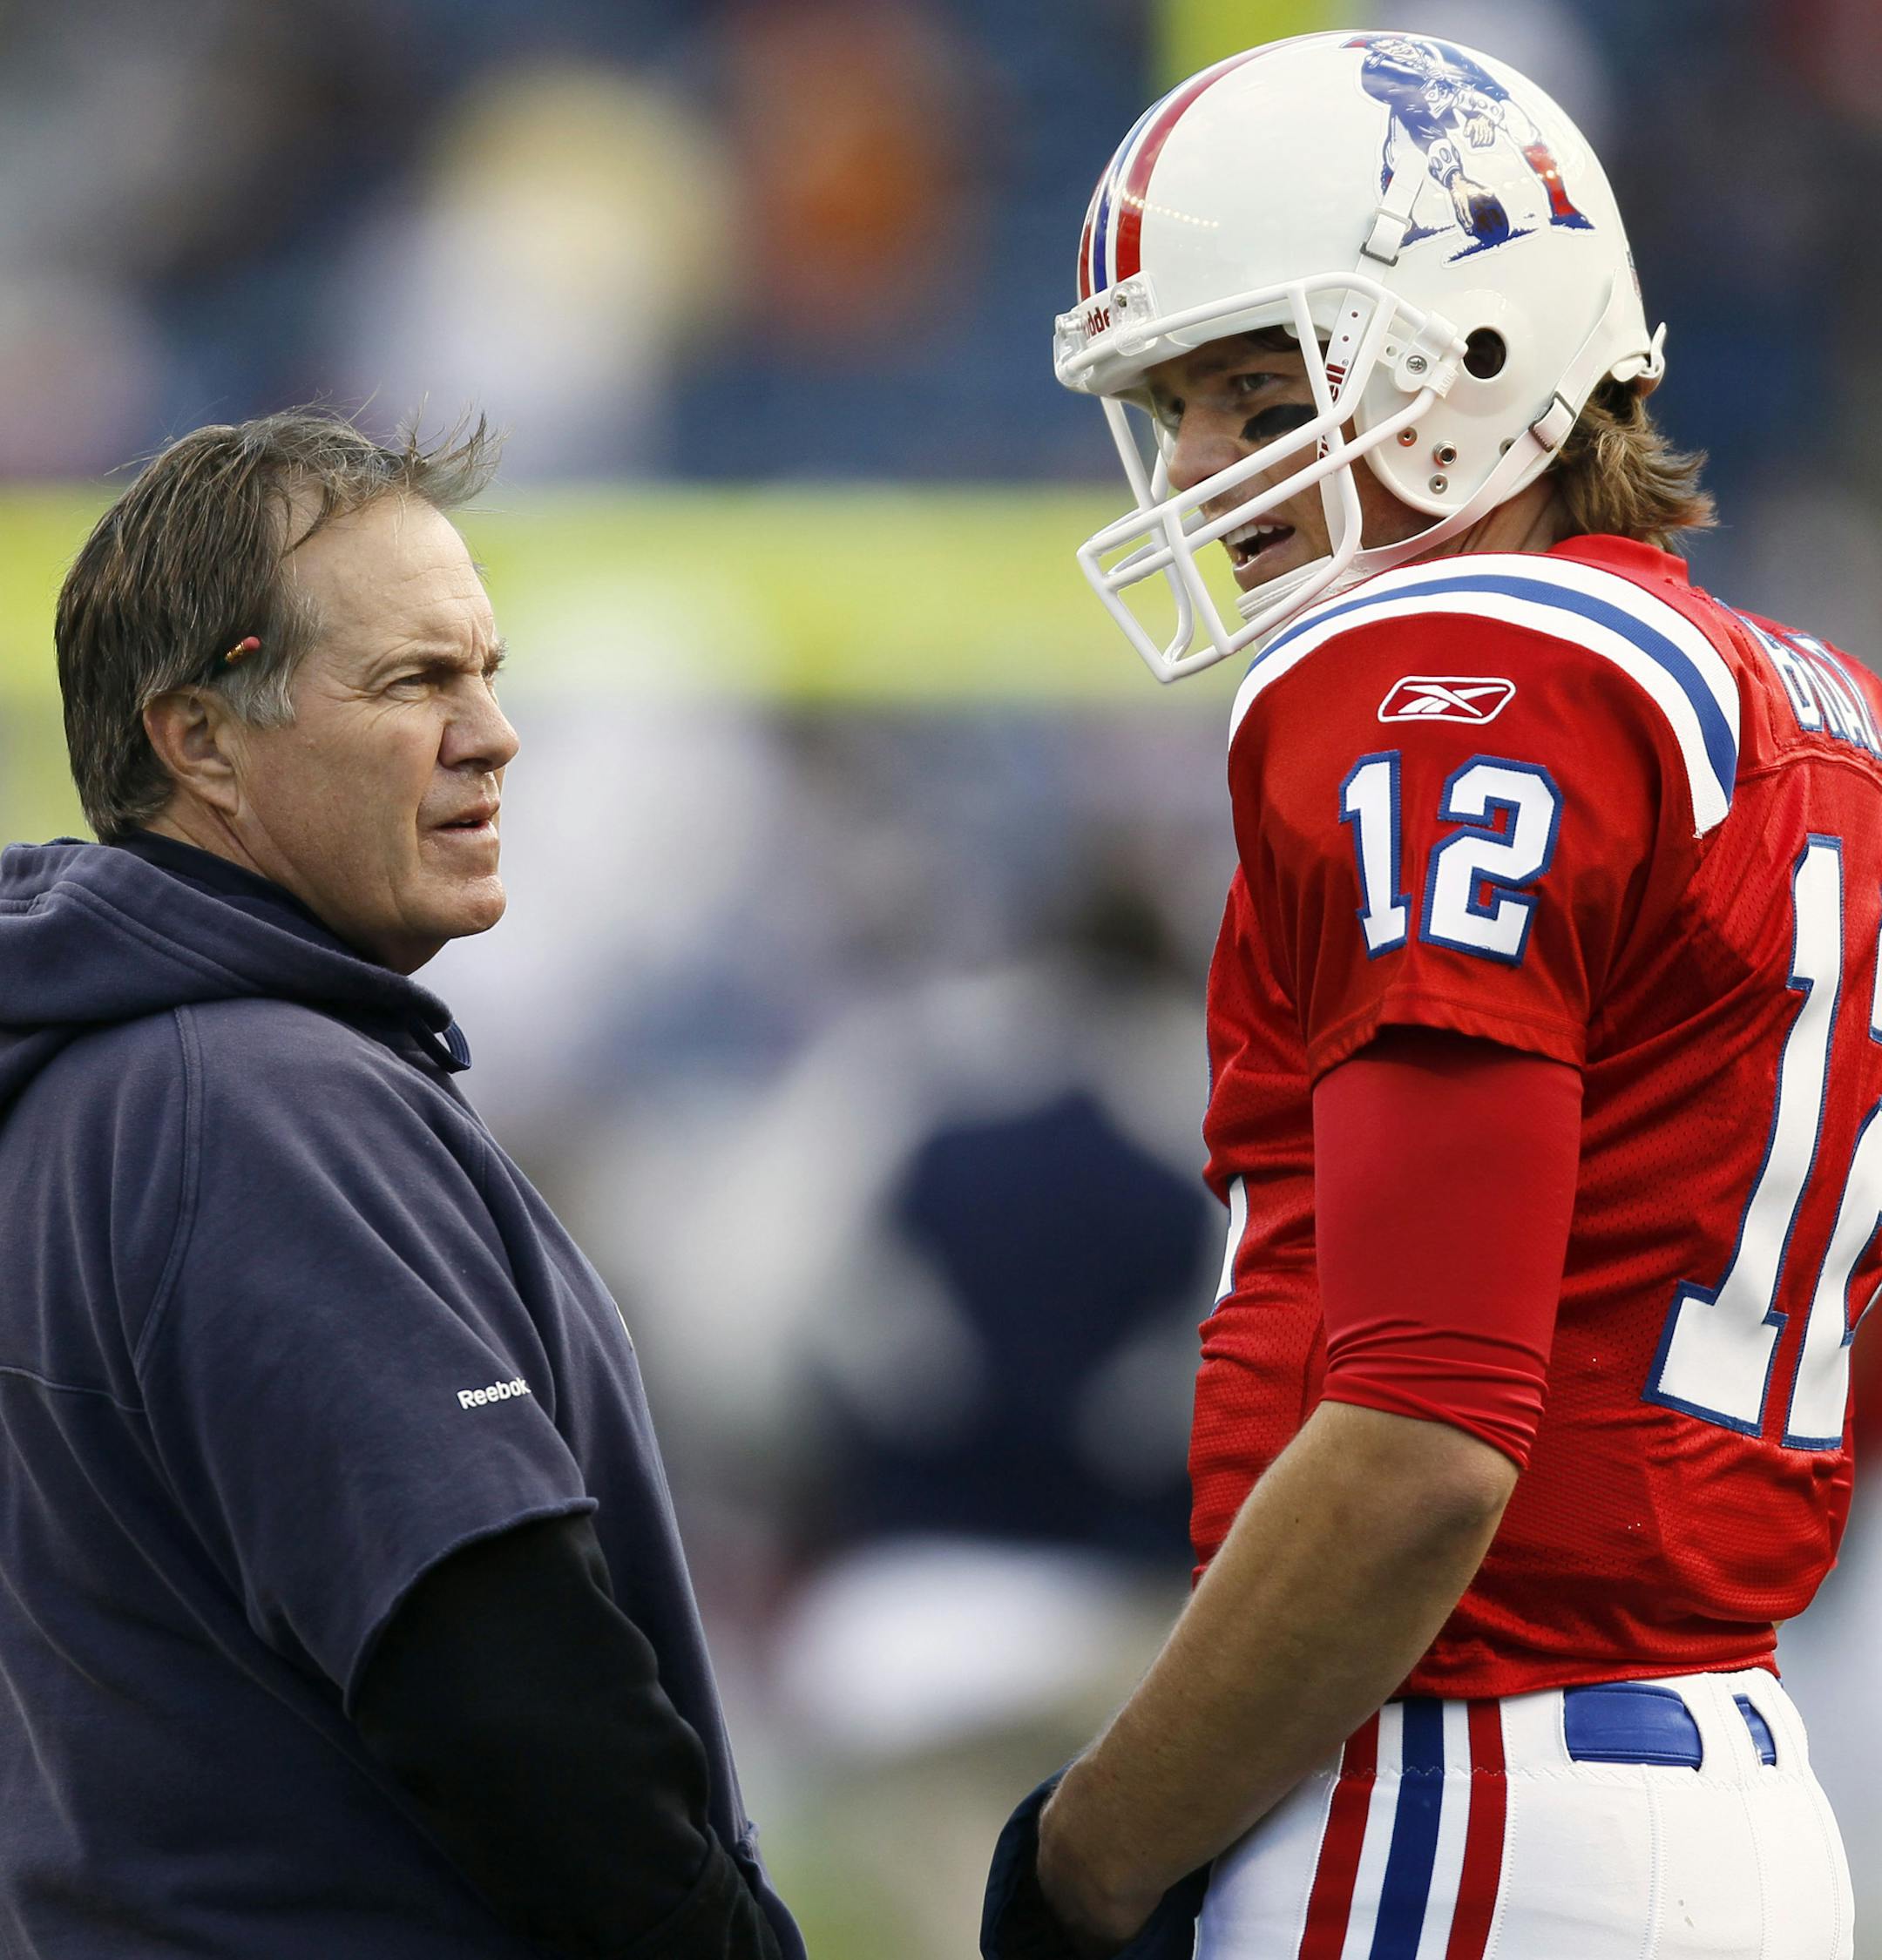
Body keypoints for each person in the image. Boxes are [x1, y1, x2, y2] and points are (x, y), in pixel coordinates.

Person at [985, 30, 1862, 1960]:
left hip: (1464, 1788)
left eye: (1257, 384)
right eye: (1179, 402)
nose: (1204, 466)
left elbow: (1419, 1440)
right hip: (1730, 1786)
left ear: (1480, 351)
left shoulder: (1447, 675)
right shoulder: (1800, 706)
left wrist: (1092, 1853)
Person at [0, 410, 802, 1960]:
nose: (493, 732)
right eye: (417, 681)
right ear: (202, 739)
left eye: (487, 672)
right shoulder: (249, 1096)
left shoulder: (98, 1081)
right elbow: (505, 1682)